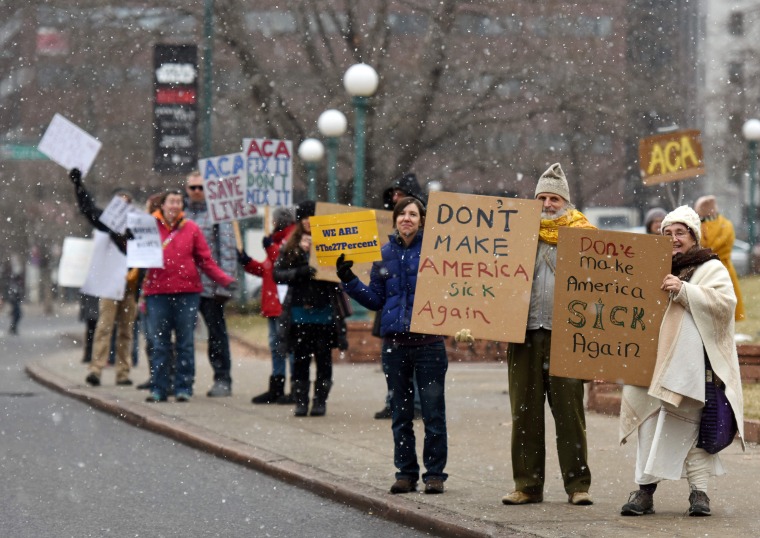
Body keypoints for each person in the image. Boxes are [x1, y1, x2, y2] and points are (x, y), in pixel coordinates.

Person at [619, 205, 745, 517]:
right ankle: (644, 492)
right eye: (667, 233)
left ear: (693, 236)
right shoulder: (649, 266)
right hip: (649, 365)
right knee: (648, 426)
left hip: (692, 367)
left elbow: (725, 305)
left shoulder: (710, 267)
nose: (674, 239)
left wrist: (685, 290)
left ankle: (699, 494)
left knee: (691, 430)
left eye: (680, 233)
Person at [337, 196, 448, 495]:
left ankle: (435, 474)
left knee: (433, 413)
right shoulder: (383, 255)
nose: (407, 219)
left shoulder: (437, 253)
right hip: (395, 346)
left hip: (430, 346)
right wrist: (348, 280)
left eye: (413, 214)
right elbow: (375, 299)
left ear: (422, 220)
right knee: (400, 414)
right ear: (395, 219)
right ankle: (406, 473)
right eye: (402, 214)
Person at [501, 163, 595, 507]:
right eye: (542, 197)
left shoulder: (585, 236)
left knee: (570, 414)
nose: (548, 203)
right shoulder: (515, 235)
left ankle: (578, 485)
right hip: (523, 334)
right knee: (524, 414)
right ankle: (527, 485)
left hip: (566, 337)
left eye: (554, 198)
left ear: (566, 202)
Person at [142, 189, 235, 403]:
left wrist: (223, 278)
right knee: (160, 343)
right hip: (157, 293)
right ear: (162, 206)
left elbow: (205, 260)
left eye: (178, 202)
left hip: (188, 293)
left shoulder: (191, 228)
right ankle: (159, 388)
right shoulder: (149, 228)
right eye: (170, 202)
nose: (174, 205)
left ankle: (184, 387)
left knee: (185, 342)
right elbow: (135, 253)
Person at [69, 168, 140, 387]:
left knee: (126, 331)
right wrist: (79, 186)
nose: (123, 205)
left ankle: (123, 372)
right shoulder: (106, 223)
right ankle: (96, 369)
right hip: (110, 284)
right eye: (119, 201)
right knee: (104, 327)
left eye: (126, 201)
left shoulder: (137, 225)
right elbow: (88, 209)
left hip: (131, 285)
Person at [273, 200, 343, 417]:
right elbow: (278, 274)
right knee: (301, 359)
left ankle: (320, 400)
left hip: (324, 312)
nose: (308, 223)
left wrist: (320, 257)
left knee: (324, 359)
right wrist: (301, 269)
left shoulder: (330, 243)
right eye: (304, 219)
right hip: (299, 312)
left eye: (311, 218)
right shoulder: (290, 246)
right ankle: (301, 400)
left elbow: (340, 275)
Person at [374, 172, 425, 420]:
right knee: (394, 365)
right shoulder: (387, 246)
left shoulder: (426, 243)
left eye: (401, 195)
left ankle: (412, 404)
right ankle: (395, 401)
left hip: (417, 315)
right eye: (394, 196)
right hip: (393, 310)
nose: (396, 198)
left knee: (415, 363)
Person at [184, 171, 238, 397]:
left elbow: (226, 250)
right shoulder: (180, 214)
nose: (197, 191)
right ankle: (177, 379)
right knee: (180, 334)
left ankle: (222, 378)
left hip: (209, 286)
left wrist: (225, 283)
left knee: (216, 334)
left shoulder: (219, 214)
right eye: (193, 187)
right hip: (184, 285)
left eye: (201, 187)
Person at [237, 207, 296, 404]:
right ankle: (277, 386)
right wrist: (247, 262)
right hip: (274, 304)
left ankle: (296, 388)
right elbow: (267, 270)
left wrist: (270, 247)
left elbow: (284, 262)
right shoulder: (277, 240)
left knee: (287, 346)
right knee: (277, 346)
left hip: (284, 303)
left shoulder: (291, 239)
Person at [694, 195, 745, 321]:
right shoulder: (726, 225)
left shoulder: (698, 227)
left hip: (704, 270)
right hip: (725, 268)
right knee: (725, 306)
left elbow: (704, 247)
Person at [0, 254, 25, 335]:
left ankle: (13, 327)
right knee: (17, 313)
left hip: (14, 296)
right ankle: (13, 328)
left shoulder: (12, 274)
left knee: (17, 313)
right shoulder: (9, 274)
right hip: (12, 296)